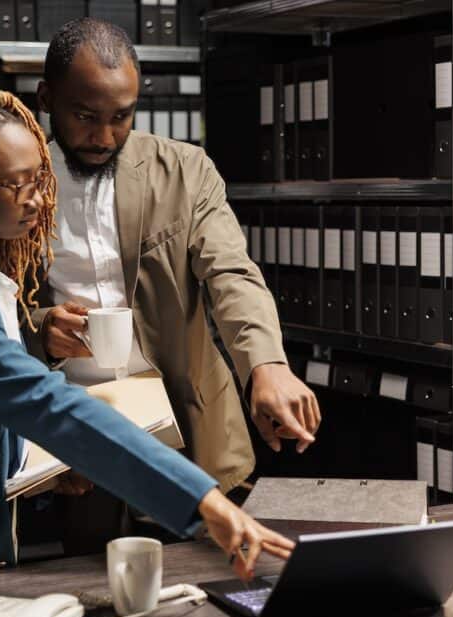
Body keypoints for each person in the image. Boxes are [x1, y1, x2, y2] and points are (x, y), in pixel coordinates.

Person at [0, 89, 293, 578]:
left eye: (39, 178)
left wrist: (47, 470)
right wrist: (204, 501)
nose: (38, 200)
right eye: (17, 184)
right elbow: (42, 401)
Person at [24, 19, 321, 509]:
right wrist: (40, 329)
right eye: (84, 115)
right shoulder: (18, 182)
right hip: (75, 440)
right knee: (92, 576)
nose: (103, 136)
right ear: (46, 98)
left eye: (122, 116)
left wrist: (267, 365)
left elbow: (230, 273)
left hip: (189, 429)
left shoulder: (186, 169)